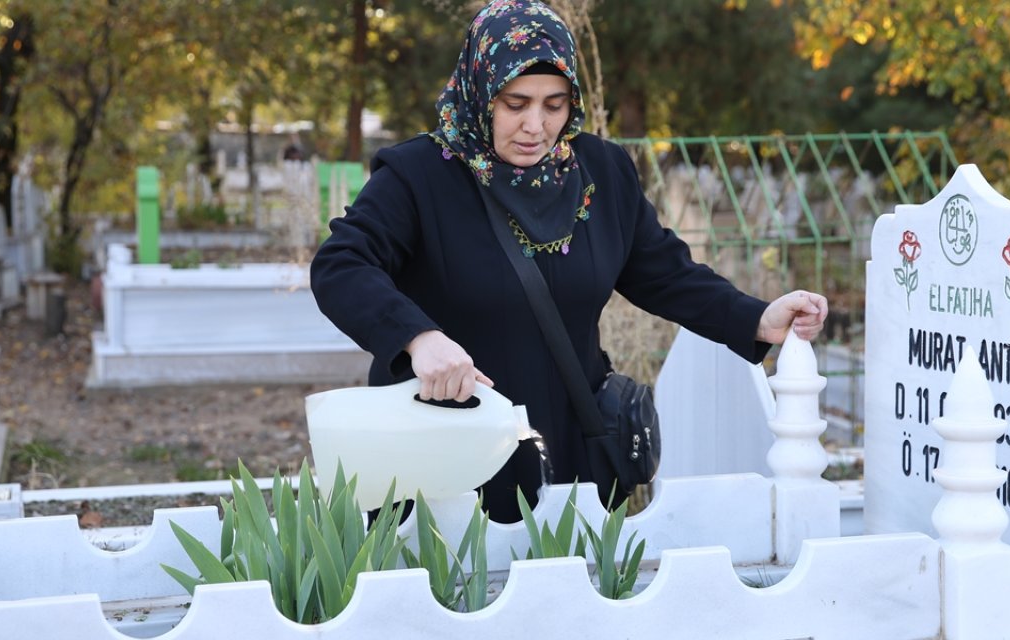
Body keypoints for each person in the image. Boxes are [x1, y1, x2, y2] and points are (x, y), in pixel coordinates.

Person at [310, 0, 827, 523]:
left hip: (571, 451)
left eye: (554, 104)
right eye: (516, 103)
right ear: (481, 90)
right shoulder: (418, 177)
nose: (536, 125)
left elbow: (662, 271)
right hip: (448, 451)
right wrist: (418, 339)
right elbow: (342, 265)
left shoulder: (599, 169)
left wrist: (757, 317)